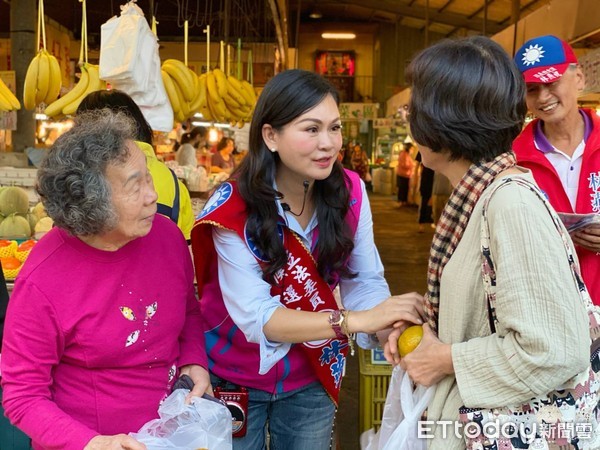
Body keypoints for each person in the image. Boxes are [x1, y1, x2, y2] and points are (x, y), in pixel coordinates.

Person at [190, 69, 423, 450]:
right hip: (234, 375)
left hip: (310, 377)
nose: (328, 143)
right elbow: (257, 317)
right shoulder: (233, 208)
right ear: (270, 136)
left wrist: (388, 328)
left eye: (335, 128)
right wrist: (358, 321)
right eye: (311, 129)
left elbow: (363, 279)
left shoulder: (351, 192)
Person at [385, 36, 597, 449]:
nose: (410, 119)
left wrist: (444, 358)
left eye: (416, 108)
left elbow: (553, 349)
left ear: (444, 119)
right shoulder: (478, 196)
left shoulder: (510, 203)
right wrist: (428, 328)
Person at [1, 110, 210, 450]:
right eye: (134, 185)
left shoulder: (168, 238)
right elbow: (22, 395)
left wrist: (194, 361)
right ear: (91, 203)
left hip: (171, 435)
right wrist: (91, 442)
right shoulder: (42, 280)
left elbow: (188, 312)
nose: (152, 195)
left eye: (149, 178)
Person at [512, 35, 600, 306]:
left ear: (579, 79)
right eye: (532, 89)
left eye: (551, 83)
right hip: (548, 310)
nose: (544, 97)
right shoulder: (513, 158)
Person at [77, 89, 195, 242]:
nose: (151, 197)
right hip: (162, 263)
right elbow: (187, 243)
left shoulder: (87, 175)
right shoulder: (173, 181)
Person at [415, 151, 434, 231]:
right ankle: (421, 223)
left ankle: (432, 221)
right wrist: (415, 178)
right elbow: (416, 165)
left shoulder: (438, 147)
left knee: (434, 202)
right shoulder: (422, 147)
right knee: (424, 201)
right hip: (426, 178)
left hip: (436, 177)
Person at [395, 142, 415, 207]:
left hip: (405, 174)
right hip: (403, 174)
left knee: (404, 189)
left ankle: (404, 201)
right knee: (403, 189)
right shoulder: (404, 154)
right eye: (412, 149)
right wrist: (412, 165)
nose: (412, 150)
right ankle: (402, 201)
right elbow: (405, 165)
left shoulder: (406, 154)